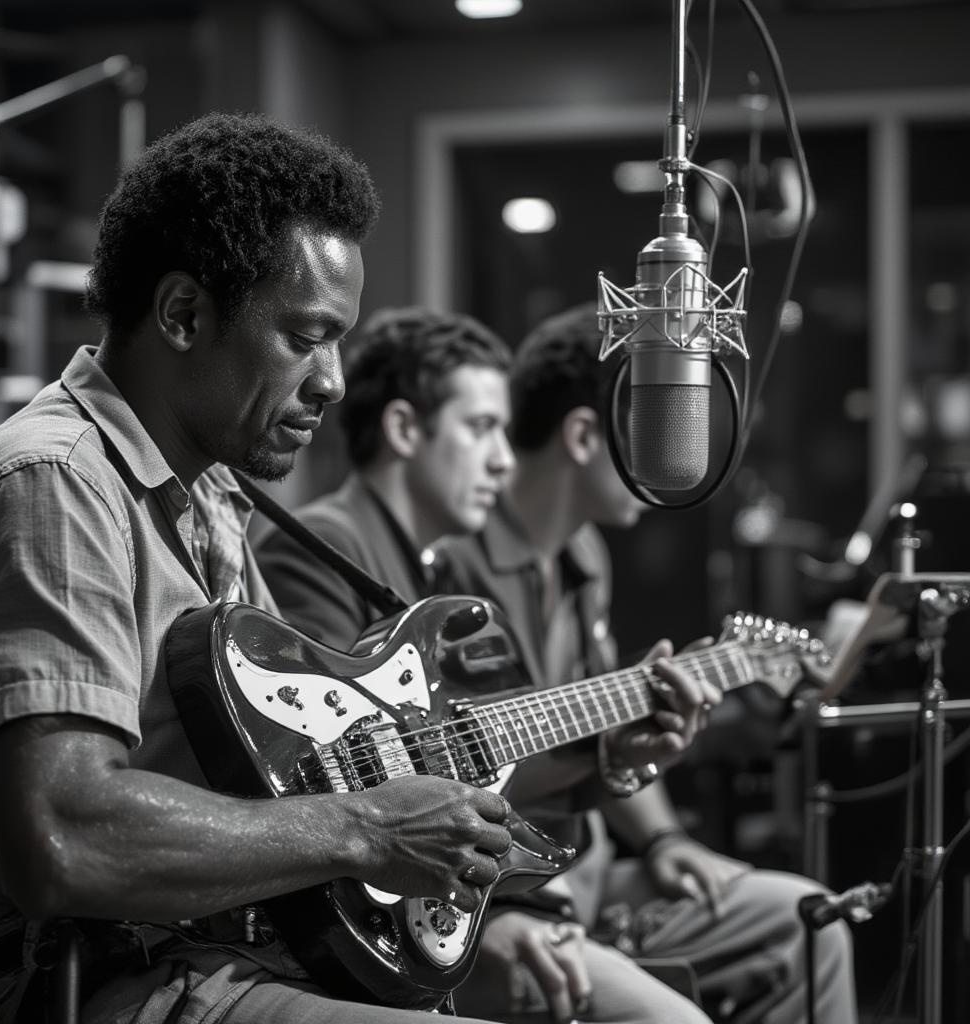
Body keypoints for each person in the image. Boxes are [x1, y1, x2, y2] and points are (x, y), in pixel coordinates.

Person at [0, 112, 528, 1024]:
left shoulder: (210, 492)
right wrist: (367, 827)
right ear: (183, 314)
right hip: (102, 982)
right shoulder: (57, 483)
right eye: (306, 337)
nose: (334, 380)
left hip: (229, 952)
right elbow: (62, 835)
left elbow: (274, 780)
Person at [255, 306, 725, 1024]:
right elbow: (326, 767)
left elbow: (465, 754)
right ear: (406, 431)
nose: (504, 460)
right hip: (378, 926)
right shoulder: (324, 543)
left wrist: (610, 753)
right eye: (481, 430)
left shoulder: (429, 565)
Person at [435, 303, 860, 1024]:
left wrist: (663, 838)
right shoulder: (452, 564)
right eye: (646, 427)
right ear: (581, 436)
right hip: (506, 896)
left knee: (808, 918)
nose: (663, 454)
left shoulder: (585, 558)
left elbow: (598, 726)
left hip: (594, 873)